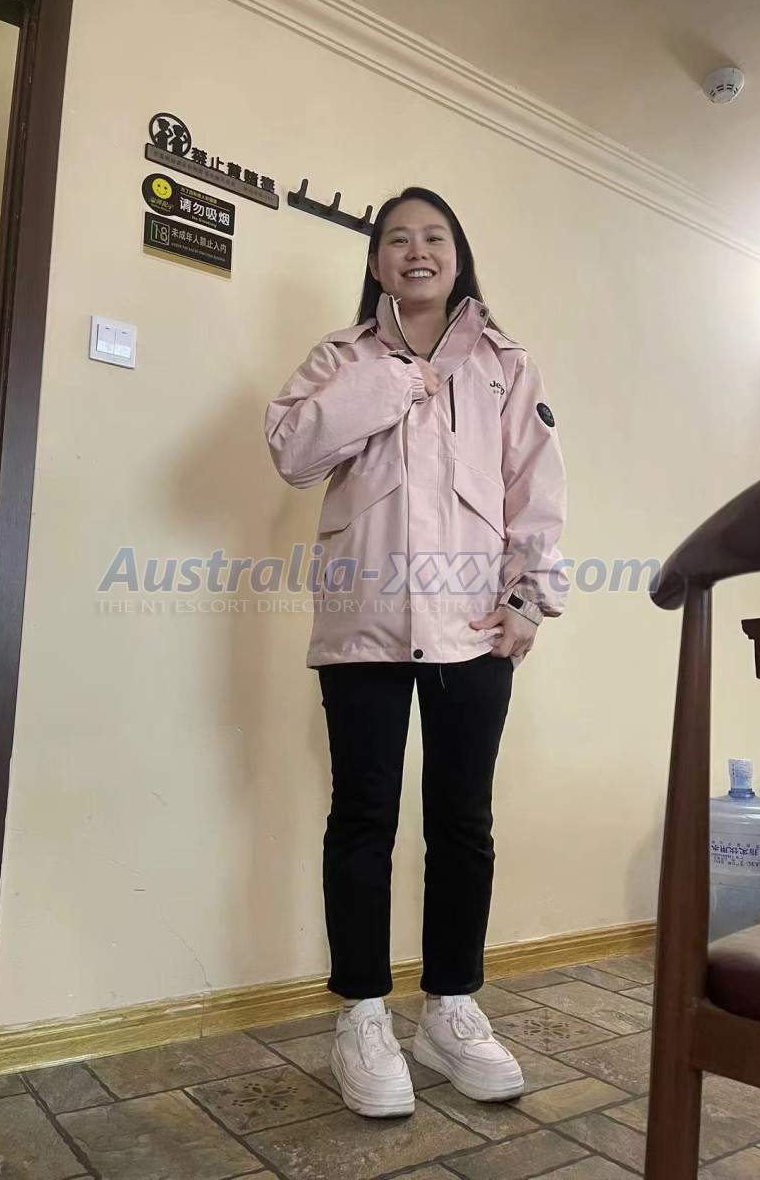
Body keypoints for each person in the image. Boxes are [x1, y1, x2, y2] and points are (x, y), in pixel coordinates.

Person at [264, 186, 567, 1118]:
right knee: (362, 816)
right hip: (364, 622)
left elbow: (535, 487)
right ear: (376, 263)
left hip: (475, 625)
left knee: (463, 820)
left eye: (434, 236)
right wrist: (390, 382)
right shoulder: (341, 356)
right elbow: (292, 452)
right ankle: (361, 1014)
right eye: (397, 239)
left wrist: (529, 598)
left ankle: (450, 1010)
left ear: (458, 255)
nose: (417, 250)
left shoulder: (505, 363)